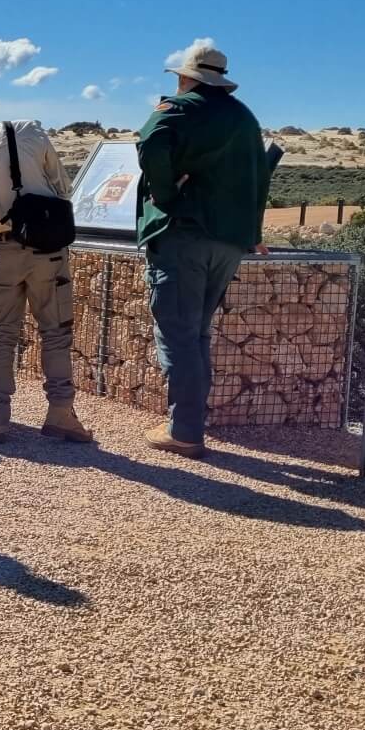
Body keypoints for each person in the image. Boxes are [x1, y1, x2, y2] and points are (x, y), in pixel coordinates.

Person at [135, 45, 271, 458]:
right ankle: (189, 422)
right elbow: (259, 176)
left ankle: (185, 430)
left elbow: (150, 144)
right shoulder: (244, 117)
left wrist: (166, 198)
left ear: (186, 77)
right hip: (230, 242)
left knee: (177, 333)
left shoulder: (178, 108)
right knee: (197, 333)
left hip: (184, 236)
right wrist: (252, 229)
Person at [0, 96, 93, 445]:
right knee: (55, 331)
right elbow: (62, 187)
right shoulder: (27, 131)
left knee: (0, 334)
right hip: (46, 245)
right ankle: (61, 413)